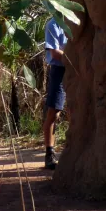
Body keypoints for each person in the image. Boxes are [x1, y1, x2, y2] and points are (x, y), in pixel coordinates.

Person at [43, 16, 68, 170]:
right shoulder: (54, 24)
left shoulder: (76, 20)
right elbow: (54, 53)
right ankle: (49, 153)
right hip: (59, 70)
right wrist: (75, 59)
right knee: (54, 112)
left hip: (77, 69)